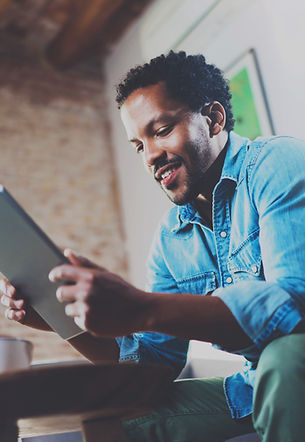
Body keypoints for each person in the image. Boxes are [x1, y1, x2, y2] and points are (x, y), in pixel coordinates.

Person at [2, 51, 305, 442]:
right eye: (138, 145)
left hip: (293, 365)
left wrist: (144, 309)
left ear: (213, 119)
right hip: (256, 383)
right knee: (120, 418)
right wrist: (66, 319)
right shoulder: (170, 240)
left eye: (161, 130)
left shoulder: (277, 163)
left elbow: (293, 309)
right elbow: (153, 367)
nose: (151, 157)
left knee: (286, 359)